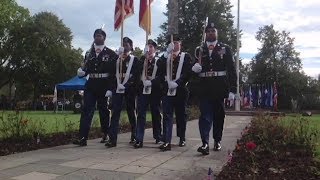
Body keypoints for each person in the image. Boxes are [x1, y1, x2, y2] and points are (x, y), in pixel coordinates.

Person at [192, 22, 236, 155]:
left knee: (218, 116)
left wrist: (233, 89)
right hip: (204, 86)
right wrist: (194, 69)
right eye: (208, 31)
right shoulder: (199, 49)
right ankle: (205, 143)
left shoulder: (225, 48)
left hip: (219, 87)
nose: (211, 33)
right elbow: (194, 67)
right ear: (205, 34)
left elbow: (231, 70)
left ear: (217, 33)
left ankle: (217, 140)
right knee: (205, 116)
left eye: (213, 30)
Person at [73, 28, 118, 146]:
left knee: (104, 111)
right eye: (96, 36)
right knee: (87, 110)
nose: (97, 38)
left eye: (100, 35)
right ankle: (82, 137)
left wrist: (110, 88)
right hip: (91, 83)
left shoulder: (111, 54)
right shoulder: (89, 53)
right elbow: (86, 68)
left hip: (104, 84)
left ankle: (106, 134)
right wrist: (82, 72)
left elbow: (113, 73)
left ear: (104, 38)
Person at [157, 36, 192, 151]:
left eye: (176, 42)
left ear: (180, 44)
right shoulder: (166, 57)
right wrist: (166, 53)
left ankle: (182, 137)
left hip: (180, 90)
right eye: (172, 43)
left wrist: (178, 82)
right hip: (167, 90)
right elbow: (159, 68)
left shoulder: (185, 57)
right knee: (167, 115)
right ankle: (167, 141)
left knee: (181, 115)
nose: (174, 45)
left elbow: (188, 72)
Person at [105, 37, 140, 148]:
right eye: (123, 44)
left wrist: (126, 85)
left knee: (131, 112)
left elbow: (136, 75)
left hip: (129, 89)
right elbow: (110, 73)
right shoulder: (116, 58)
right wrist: (111, 88)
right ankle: (112, 139)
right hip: (117, 88)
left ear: (131, 46)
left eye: (126, 44)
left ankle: (135, 135)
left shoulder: (134, 60)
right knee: (115, 113)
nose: (124, 46)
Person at [134, 39, 164, 148]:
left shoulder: (159, 61)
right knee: (141, 114)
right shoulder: (141, 60)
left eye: (151, 46)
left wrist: (151, 82)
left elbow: (161, 76)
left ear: (155, 49)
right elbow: (136, 72)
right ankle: (139, 138)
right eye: (148, 46)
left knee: (156, 113)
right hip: (142, 90)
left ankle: (158, 136)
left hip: (155, 90)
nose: (149, 48)